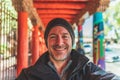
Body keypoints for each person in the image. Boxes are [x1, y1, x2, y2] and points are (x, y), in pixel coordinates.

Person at [16, 18, 120, 80]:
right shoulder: (28, 75)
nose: (59, 43)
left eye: (65, 36)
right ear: (46, 42)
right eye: (53, 37)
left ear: (72, 41)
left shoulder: (87, 68)